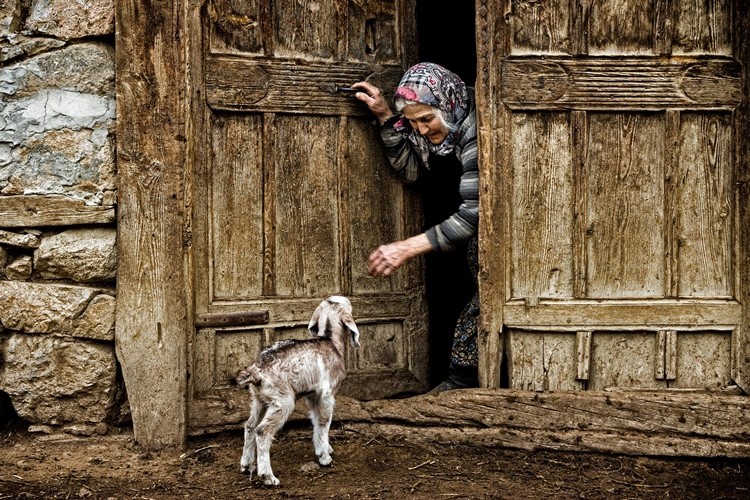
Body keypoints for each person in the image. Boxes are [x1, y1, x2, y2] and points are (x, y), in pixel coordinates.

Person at [352, 62, 479, 393]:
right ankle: (460, 382)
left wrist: (405, 247)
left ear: (448, 105)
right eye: (412, 122)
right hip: (453, 241)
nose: (421, 130)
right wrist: (385, 116)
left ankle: (464, 383)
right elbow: (411, 171)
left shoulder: (477, 130)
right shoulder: (438, 131)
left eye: (427, 119)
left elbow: (473, 214)